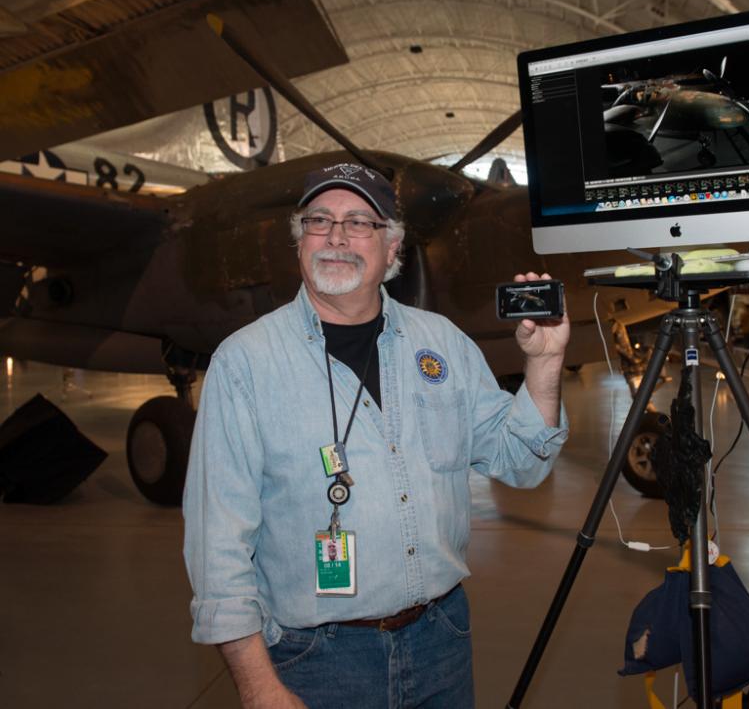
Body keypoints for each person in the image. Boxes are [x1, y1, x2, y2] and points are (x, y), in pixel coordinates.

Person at [182, 162, 570, 709]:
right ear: (298, 244)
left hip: (442, 641)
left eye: (360, 222)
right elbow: (216, 543)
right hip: (314, 659)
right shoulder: (244, 363)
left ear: (392, 251)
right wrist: (258, 685)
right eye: (320, 220)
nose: (337, 236)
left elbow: (520, 462)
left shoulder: (443, 343)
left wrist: (544, 366)